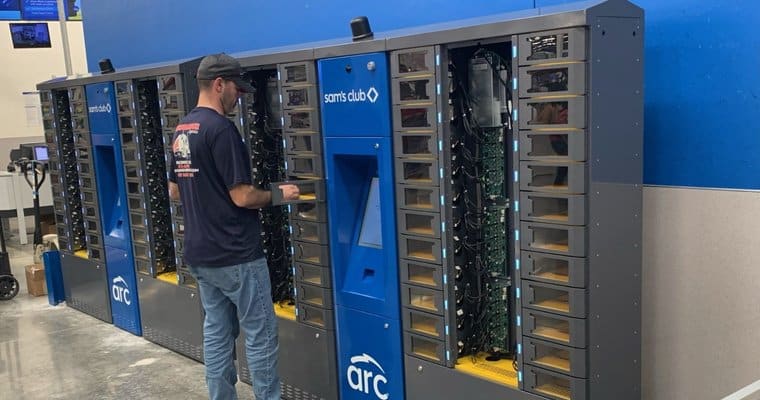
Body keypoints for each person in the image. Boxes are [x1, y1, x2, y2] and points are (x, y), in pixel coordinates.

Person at [168, 53, 300, 400]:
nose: (238, 97)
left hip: (201, 254)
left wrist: (205, 196)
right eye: (236, 90)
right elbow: (242, 197)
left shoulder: (183, 129)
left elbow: (174, 190)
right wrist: (278, 193)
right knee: (260, 333)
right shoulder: (222, 130)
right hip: (236, 254)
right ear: (218, 85)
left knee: (216, 332)